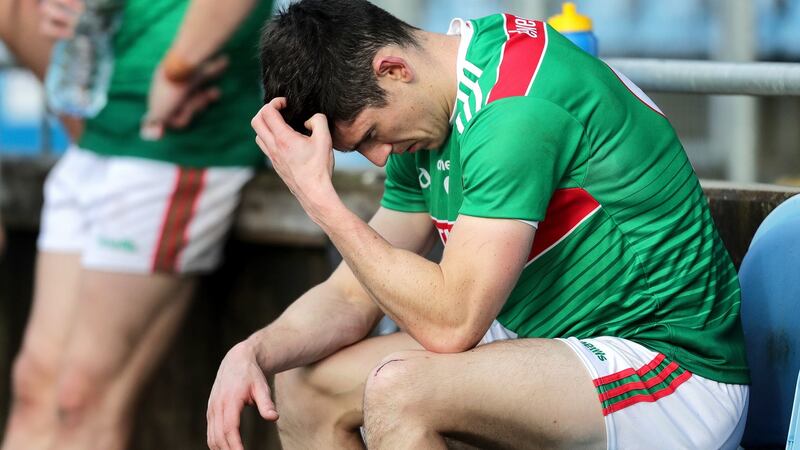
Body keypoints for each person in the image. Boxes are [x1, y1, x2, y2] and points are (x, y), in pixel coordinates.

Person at [206, 1, 751, 449]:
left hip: (670, 368)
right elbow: (353, 295)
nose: (376, 158)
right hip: (547, 345)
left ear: (392, 69)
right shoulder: (432, 110)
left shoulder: (511, 107)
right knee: (305, 387)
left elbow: (451, 324)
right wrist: (252, 349)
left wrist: (321, 201)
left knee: (403, 391)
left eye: (371, 134)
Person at [0, 0, 274, 449]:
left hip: (173, 143)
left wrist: (177, 68)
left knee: (82, 396)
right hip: (98, 136)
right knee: (35, 384)